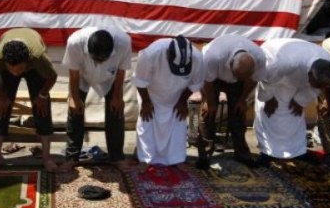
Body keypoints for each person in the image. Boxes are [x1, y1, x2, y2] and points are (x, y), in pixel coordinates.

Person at [0, 28, 58, 173]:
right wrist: (2, 97)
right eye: (13, 69)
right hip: (7, 66)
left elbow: (52, 76)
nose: (16, 73)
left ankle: (47, 157)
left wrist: (42, 95)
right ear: (4, 62)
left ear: (28, 60)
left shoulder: (37, 57)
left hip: (34, 70)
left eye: (20, 69)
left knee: (42, 108)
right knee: (1, 110)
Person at [59, 26, 132, 172]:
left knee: (116, 110)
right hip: (82, 76)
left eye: (102, 59)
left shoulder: (124, 42)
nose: (99, 62)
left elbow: (121, 72)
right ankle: (71, 157)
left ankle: (117, 157)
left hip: (110, 77)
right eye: (96, 59)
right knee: (75, 111)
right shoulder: (75, 42)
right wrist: (74, 98)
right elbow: (73, 74)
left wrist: (117, 97)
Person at [254, 38, 330, 166]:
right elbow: (267, 80)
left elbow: (317, 88)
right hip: (273, 77)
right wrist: (268, 98)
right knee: (270, 114)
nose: (318, 88)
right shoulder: (283, 62)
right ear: (309, 74)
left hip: (295, 78)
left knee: (294, 115)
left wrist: (301, 100)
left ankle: (297, 152)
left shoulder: (328, 66)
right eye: (316, 84)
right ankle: (267, 153)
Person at [196, 35, 266, 170]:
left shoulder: (259, 58)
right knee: (208, 114)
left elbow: (253, 80)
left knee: (239, 114)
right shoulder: (213, 56)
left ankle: (242, 154)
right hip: (212, 79)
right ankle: (204, 155)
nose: (234, 79)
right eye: (236, 75)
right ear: (230, 65)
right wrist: (210, 102)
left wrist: (243, 99)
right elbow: (207, 80)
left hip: (239, 83)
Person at [133, 36, 204, 167]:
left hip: (177, 96)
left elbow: (195, 83)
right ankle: (145, 159)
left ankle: (176, 159)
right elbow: (140, 80)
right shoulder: (150, 54)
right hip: (151, 94)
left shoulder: (198, 58)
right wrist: (146, 102)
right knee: (146, 123)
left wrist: (183, 101)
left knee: (178, 124)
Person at [317, 36, 330, 162]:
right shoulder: (326, 62)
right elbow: (328, 85)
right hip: (329, 57)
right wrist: (327, 101)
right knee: (325, 111)